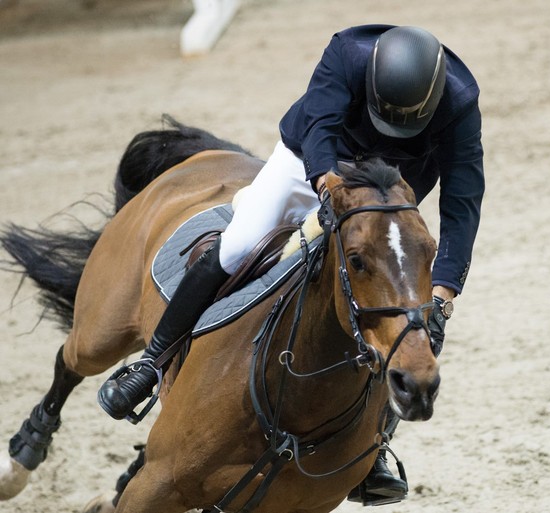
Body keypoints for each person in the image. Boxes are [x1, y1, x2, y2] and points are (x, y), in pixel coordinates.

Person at [98, 24, 484, 504]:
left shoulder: (460, 101)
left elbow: (463, 200)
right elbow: (320, 123)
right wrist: (326, 185)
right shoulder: (347, 53)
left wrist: (444, 295)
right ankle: (152, 364)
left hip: (391, 184)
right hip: (314, 163)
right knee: (239, 244)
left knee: (391, 303)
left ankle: (373, 446)